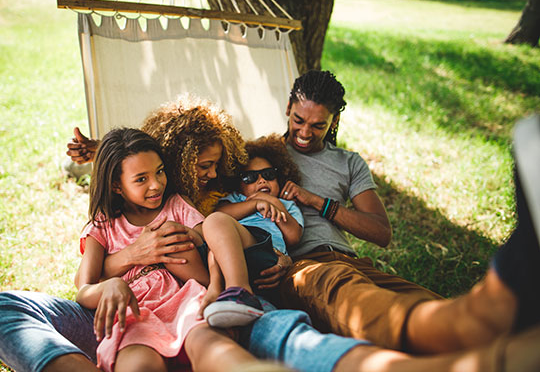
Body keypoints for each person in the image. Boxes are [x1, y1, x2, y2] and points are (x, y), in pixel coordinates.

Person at [2, 94, 540, 371]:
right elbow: (131, 172)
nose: (215, 174)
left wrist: (285, 203)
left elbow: (213, 218)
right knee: (326, 300)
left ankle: (490, 321)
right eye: (202, 166)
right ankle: (481, 323)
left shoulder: (211, 192)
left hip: (226, 294)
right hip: (167, 308)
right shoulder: (162, 200)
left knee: (356, 297)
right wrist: (125, 256)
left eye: (220, 165)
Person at [277, 70, 539, 355]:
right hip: (305, 266)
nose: (304, 133)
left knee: (427, 302)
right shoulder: (267, 156)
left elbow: (380, 232)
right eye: (298, 120)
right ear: (288, 109)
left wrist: (318, 201)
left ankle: (508, 337)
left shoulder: (348, 162)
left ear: (334, 121)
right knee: (358, 301)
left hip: (354, 263)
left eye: (318, 125)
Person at [75, 127, 259, 371]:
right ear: (116, 186)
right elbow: (83, 289)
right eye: (141, 179)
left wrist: (214, 285)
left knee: (210, 346)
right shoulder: (104, 224)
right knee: (138, 364)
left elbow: (215, 244)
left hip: (187, 300)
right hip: (134, 312)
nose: (156, 184)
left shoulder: (177, 206)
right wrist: (111, 284)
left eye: (159, 172)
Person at [212, 134, 304, 306]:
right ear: (238, 183)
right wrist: (256, 204)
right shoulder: (236, 199)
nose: (261, 180)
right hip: (235, 251)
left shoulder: (287, 205)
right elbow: (219, 215)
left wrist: (275, 203)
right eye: (250, 177)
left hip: (269, 254)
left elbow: (293, 237)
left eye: (269, 174)